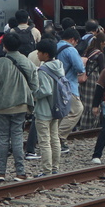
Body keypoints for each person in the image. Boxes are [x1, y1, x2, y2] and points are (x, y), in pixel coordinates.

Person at [0, 32, 37, 182]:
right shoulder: (27, 61)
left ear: (4, 46)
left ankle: (1, 173)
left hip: (2, 105)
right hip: (21, 104)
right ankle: (20, 172)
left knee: (2, 138)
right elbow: (35, 85)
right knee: (17, 136)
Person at [33, 39, 65, 177]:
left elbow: (45, 90)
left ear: (45, 54)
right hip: (56, 108)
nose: (38, 54)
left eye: (39, 52)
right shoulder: (59, 66)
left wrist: (33, 94)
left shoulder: (43, 70)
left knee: (44, 141)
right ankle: (55, 168)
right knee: (55, 138)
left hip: (44, 110)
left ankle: (46, 170)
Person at [55, 27, 86, 153]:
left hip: (55, 85)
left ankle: (58, 141)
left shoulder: (55, 47)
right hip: (68, 86)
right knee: (77, 110)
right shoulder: (70, 50)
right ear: (73, 40)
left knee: (60, 114)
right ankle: (58, 137)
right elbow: (79, 68)